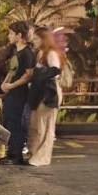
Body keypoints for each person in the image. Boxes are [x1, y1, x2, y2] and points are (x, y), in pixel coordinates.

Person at [0, 21, 35, 165]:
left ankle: (16, 155)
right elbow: (12, 71)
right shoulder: (17, 52)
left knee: (15, 123)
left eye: (11, 33)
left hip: (19, 93)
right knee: (8, 121)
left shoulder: (27, 53)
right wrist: (5, 84)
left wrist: (12, 85)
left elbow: (28, 75)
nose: (9, 36)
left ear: (19, 35)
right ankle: (11, 152)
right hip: (11, 92)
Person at [27, 28, 64, 166]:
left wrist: (38, 73)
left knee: (45, 126)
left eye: (37, 39)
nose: (34, 41)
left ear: (43, 39)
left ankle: (42, 157)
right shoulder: (40, 53)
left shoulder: (50, 53)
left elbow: (55, 71)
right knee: (36, 124)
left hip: (48, 93)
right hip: (39, 93)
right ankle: (35, 154)